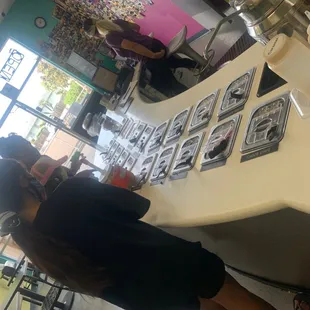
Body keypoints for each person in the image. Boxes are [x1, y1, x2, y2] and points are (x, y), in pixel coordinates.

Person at [0, 158, 277, 310]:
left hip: (153, 300)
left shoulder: (36, 249)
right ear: (24, 181)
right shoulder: (71, 192)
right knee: (242, 302)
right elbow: (140, 205)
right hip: (178, 264)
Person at [83, 18, 198, 97]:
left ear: (96, 35)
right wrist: (136, 37)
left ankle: (194, 97)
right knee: (173, 62)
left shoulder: (110, 38)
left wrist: (151, 55)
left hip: (149, 56)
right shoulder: (116, 22)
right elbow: (136, 27)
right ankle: (200, 65)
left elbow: (133, 46)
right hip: (155, 44)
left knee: (164, 84)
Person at [0, 134, 89, 196]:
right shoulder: (36, 178)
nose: (33, 149)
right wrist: (82, 176)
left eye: (30, 144)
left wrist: (74, 167)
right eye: (26, 149)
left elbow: (67, 176)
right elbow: (68, 192)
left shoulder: (43, 161)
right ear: (18, 160)